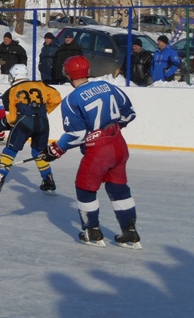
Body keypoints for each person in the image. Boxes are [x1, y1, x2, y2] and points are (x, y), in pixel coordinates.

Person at [38, 55, 141, 249]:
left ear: (68, 73)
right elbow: (129, 114)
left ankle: (91, 231)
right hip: (119, 145)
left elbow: (77, 135)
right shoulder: (108, 86)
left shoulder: (71, 100)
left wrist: (55, 150)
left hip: (98, 152)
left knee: (85, 188)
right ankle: (130, 232)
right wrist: (111, 128)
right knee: (118, 187)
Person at [0, 63, 61, 196]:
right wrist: (43, 110)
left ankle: (0, 177)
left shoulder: (11, 91)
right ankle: (48, 180)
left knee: (11, 150)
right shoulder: (40, 84)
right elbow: (57, 98)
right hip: (42, 122)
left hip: (24, 122)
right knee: (39, 151)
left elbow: (12, 118)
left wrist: (2, 123)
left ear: (13, 76)